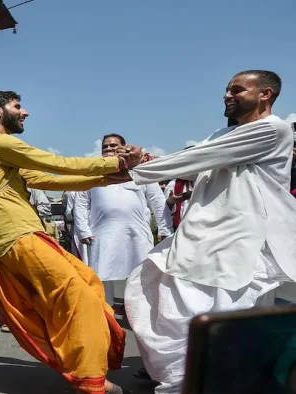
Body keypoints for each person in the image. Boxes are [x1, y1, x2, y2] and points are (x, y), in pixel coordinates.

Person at [124, 70, 296, 393]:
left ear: (266, 94)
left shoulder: (274, 130)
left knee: (227, 320)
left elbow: (198, 157)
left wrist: (134, 169)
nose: (227, 95)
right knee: (165, 294)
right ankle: (187, 378)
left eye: (237, 89)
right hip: (205, 237)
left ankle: (210, 380)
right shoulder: (221, 134)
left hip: (246, 244)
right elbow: (191, 164)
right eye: (227, 89)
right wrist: (143, 161)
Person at [0, 91, 143, 394]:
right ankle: (92, 381)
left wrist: (117, 177)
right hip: (17, 235)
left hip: (18, 235)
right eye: (17, 107)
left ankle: (84, 367)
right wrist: (115, 163)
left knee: (87, 283)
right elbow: (57, 163)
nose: (25, 113)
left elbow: (53, 180)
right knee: (79, 297)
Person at [73, 133, 171, 307]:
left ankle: (138, 313)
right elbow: (80, 202)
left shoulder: (140, 171)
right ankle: (106, 316)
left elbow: (157, 200)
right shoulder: (94, 172)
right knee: (101, 275)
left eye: (113, 146)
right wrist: (83, 230)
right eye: (105, 147)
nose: (109, 149)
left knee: (140, 275)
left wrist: (164, 228)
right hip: (102, 233)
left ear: (124, 148)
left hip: (136, 232)